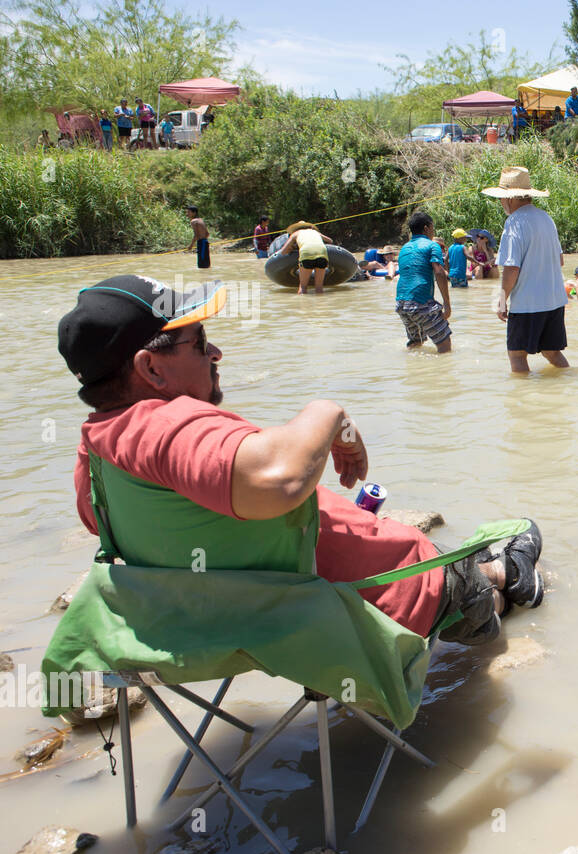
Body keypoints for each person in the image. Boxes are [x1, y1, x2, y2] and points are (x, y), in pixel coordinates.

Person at [57, 275, 544, 651]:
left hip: (251, 617)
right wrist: (329, 413)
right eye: (200, 340)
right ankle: (503, 580)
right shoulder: (165, 425)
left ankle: (491, 570)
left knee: (448, 558)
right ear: (151, 368)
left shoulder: (95, 456)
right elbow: (281, 481)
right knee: (472, 589)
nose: (215, 352)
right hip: (386, 599)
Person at [484, 166, 569, 373]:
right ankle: (568, 386)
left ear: (509, 199)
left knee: (517, 355)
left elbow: (511, 269)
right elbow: (560, 261)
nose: (501, 202)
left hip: (527, 304)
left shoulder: (514, 223)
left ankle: (522, 403)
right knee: (552, 352)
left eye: (502, 198)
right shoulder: (546, 219)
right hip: (555, 301)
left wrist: (502, 301)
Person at [394, 211, 453, 349]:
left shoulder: (404, 248)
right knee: (445, 345)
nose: (433, 231)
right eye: (432, 227)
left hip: (401, 304)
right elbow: (439, 272)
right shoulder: (432, 245)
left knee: (416, 342)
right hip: (420, 302)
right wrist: (447, 303)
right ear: (426, 228)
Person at [281, 221, 334, 294]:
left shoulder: (296, 233)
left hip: (306, 254)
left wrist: (292, 248)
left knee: (303, 287)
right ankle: (321, 305)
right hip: (322, 253)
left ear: (296, 229)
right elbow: (330, 241)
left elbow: (283, 251)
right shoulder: (315, 232)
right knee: (319, 287)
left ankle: (303, 304)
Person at [184, 205, 210, 270]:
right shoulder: (201, 220)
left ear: (194, 213)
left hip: (201, 243)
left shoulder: (193, 221)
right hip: (205, 243)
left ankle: (203, 279)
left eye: (189, 212)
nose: (187, 214)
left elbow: (196, 235)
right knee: (206, 264)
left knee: (202, 266)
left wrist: (191, 245)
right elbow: (207, 234)